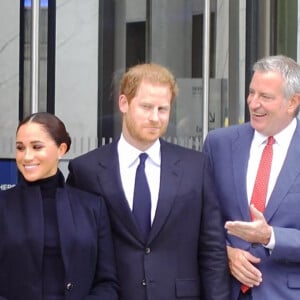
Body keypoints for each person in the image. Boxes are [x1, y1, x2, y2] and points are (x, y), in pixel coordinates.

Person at [67, 63, 230, 300]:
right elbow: (79, 249)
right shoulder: (86, 170)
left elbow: (212, 249)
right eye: (146, 107)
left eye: (163, 109)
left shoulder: (196, 167)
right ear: (124, 103)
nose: (155, 118)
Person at [203, 55, 300, 300]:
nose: (253, 103)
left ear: (292, 102)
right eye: (251, 93)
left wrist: (271, 237)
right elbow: (201, 219)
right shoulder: (219, 144)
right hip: (226, 291)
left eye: (265, 97)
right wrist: (226, 253)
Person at [0, 112, 119, 300]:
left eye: (37, 147)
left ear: (61, 149)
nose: (27, 156)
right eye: (20, 148)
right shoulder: (4, 205)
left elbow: (107, 283)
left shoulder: (92, 207)